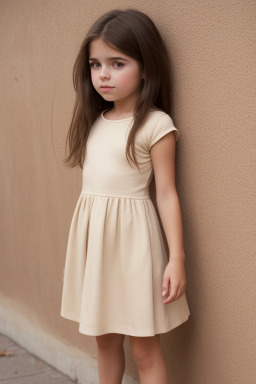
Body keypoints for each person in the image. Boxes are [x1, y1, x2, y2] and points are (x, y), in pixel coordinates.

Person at [60, 9, 190, 384]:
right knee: (104, 341)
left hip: (135, 247)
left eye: (118, 63)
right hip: (97, 246)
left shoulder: (155, 125)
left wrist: (176, 258)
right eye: (95, 64)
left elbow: (166, 194)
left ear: (146, 67)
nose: (103, 74)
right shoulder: (94, 121)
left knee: (144, 348)